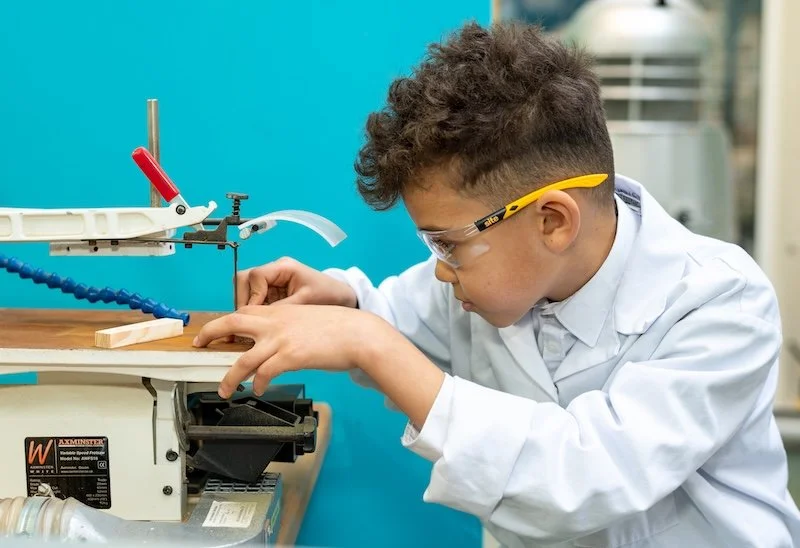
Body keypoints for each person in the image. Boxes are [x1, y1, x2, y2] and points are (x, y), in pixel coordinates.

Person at [193, 21, 800, 547]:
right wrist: (346, 299)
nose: (438, 269)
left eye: (447, 244)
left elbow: (587, 477)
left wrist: (368, 341)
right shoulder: (494, 277)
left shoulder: (719, 303)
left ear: (553, 221)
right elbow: (400, 315)